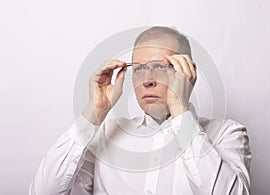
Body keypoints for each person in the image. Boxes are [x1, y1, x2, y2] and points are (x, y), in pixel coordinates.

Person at [29, 26, 251, 195]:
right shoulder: (107, 132)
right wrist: (94, 112)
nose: (147, 80)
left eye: (161, 67)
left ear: (187, 72)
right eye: (140, 69)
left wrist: (180, 111)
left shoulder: (226, 133)